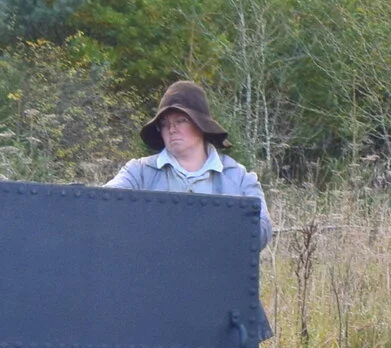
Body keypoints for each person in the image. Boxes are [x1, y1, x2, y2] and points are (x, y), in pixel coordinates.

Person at [107, 80, 272, 249]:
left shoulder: (238, 177)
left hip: (213, 274)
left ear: (200, 124)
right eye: (164, 123)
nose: (171, 129)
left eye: (181, 120)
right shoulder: (138, 172)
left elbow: (261, 232)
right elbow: (102, 207)